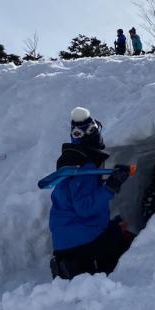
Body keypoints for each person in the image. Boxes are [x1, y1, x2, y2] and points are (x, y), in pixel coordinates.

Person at [48, 107, 133, 279]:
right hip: (82, 247)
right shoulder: (85, 167)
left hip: (67, 245)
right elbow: (84, 208)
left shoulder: (71, 165)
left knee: (116, 230)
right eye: (92, 131)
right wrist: (112, 185)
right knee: (135, 247)